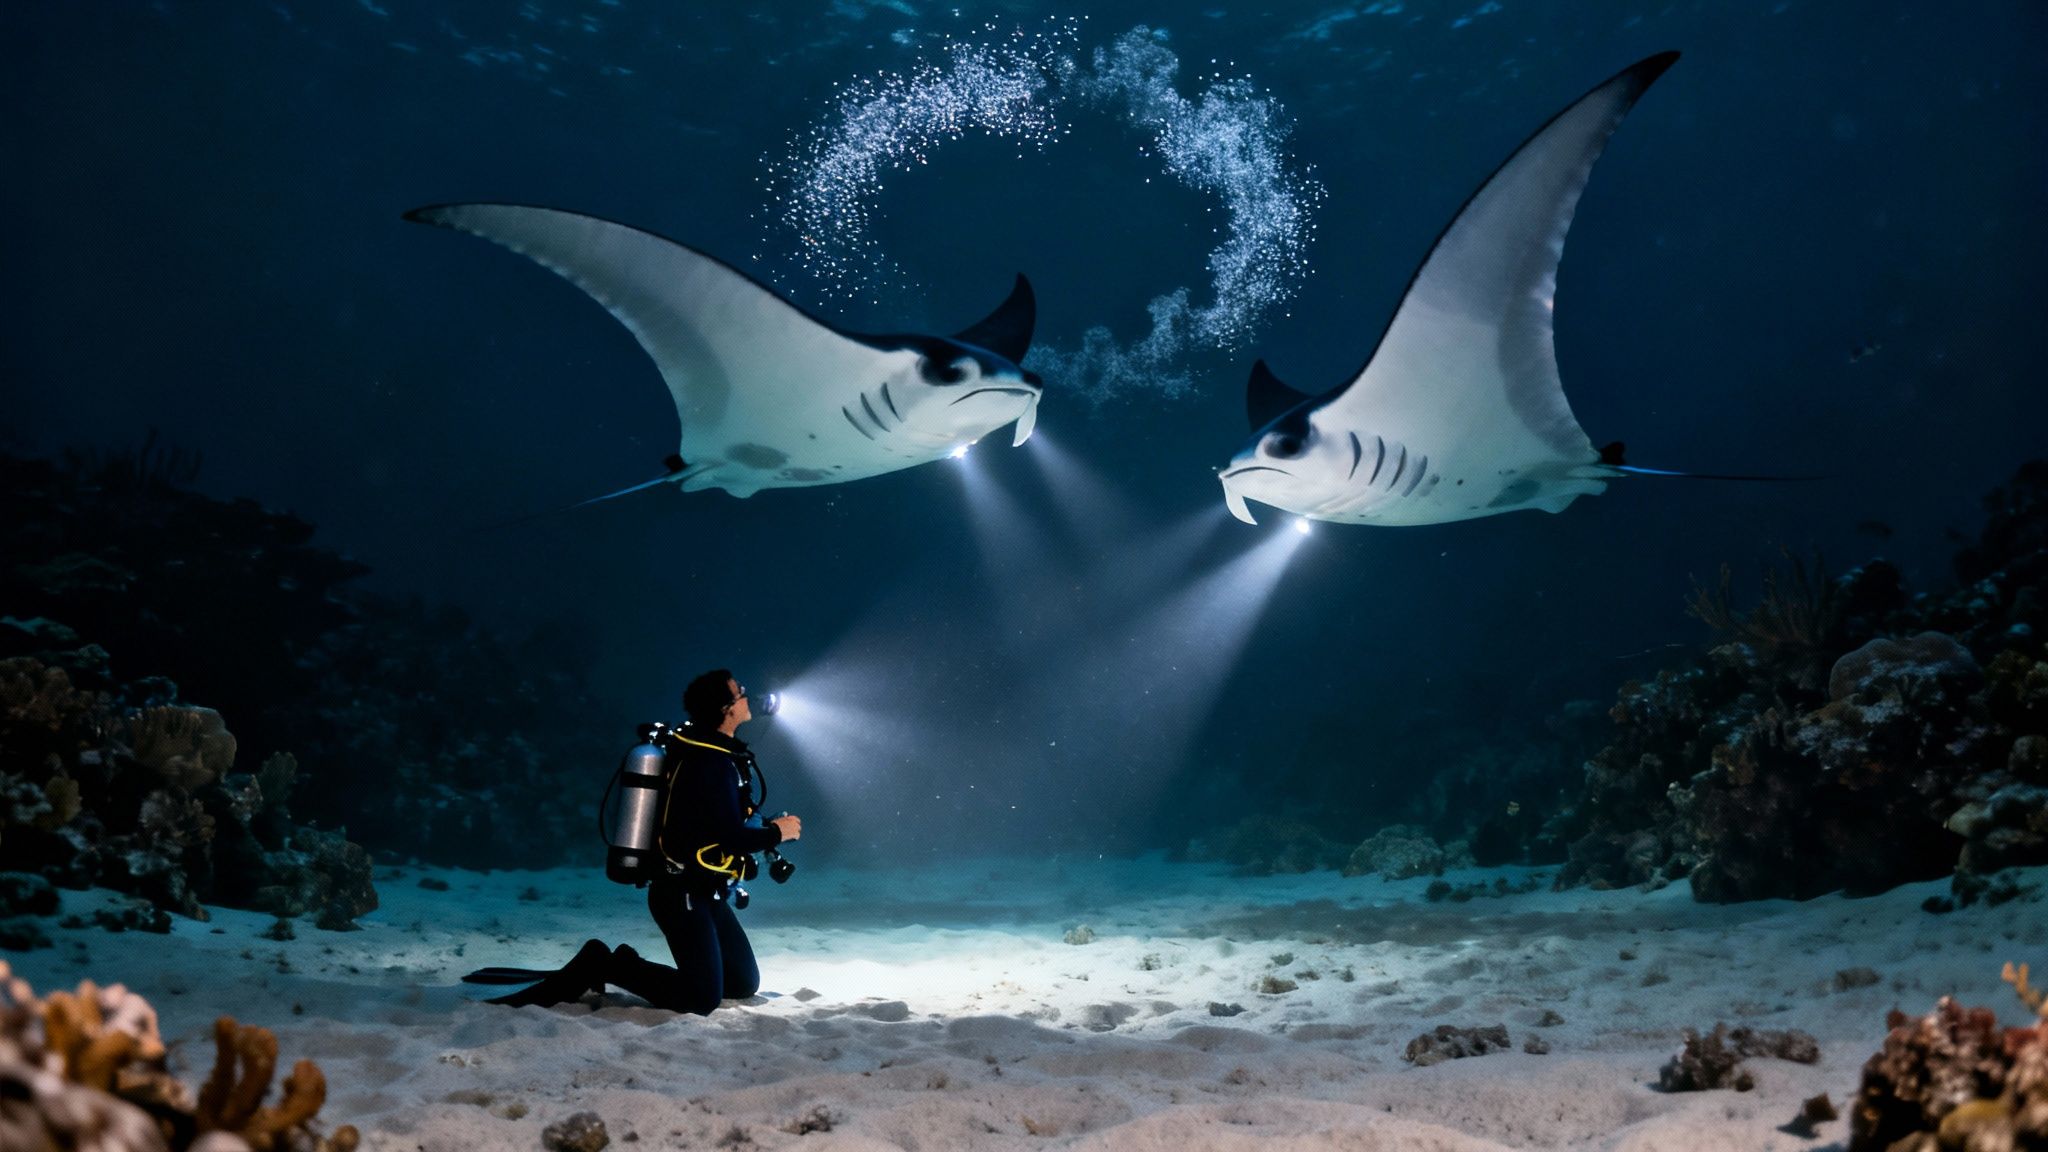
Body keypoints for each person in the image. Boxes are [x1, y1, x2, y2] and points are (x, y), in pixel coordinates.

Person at [473, 669, 802, 1013]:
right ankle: (605, 964)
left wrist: (764, 831)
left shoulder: (717, 754)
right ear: (726, 709)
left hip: (707, 890)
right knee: (700, 1000)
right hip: (680, 893)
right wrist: (779, 832)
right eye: (740, 692)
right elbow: (729, 838)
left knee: (742, 983)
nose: (749, 696)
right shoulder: (708, 762)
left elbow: (719, 825)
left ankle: (624, 963)